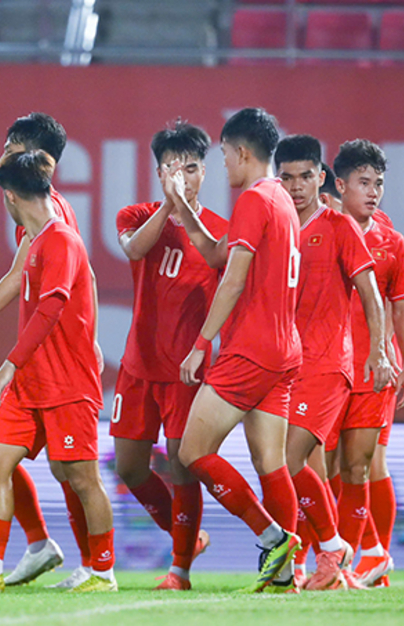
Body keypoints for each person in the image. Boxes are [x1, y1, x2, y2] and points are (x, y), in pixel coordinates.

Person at [0, 150, 115, 593]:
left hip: (66, 383)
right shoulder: (35, 242)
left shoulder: (61, 241)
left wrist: (7, 364)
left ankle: (104, 572)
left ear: (10, 196)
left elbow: (50, 309)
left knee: (81, 476)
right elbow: (33, 289)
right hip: (30, 382)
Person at [164, 107, 301, 593]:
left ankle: (271, 537)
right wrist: (182, 207)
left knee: (191, 451)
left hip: (250, 349)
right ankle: (287, 573)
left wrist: (202, 344)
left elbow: (234, 275)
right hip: (285, 349)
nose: (222, 164)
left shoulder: (251, 200)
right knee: (271, 463)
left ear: (243, 153)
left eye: (223, 154)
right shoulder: (282, 200)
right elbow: (221, 255)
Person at [274, 134, 393, 591]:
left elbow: (371, 295)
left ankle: (336, 545)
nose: (297, 185)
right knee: (305, 469)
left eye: (306, 176)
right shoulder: (275, 227)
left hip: (327, 366)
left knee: (293, 461)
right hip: (284, 367)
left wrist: (379, 352)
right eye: (287, 177)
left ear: (322, 178)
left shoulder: (338, 226)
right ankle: (305, 563)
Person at [112, 121, 226, 590]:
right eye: (172, 168)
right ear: (158, 172)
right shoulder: (135, 216)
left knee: (182, 464)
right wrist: (168, 206)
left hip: (186, 369)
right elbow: (133, 249)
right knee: (129, 468)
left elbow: (225, 271)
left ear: (205, 173)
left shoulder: (220, 231)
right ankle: (188, 538)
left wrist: (187, 213)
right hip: (138, 364)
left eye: (193, 168)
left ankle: (179, 569)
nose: (183, 176)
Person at [325, 139, 404, 587]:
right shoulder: (321, 228)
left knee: (364, 463)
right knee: (331, 466)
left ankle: (358, 555)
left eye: (378, 183)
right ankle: (372, 553)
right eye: (364, 182)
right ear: (340, 185)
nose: (374, 191)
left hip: (373, 367)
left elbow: (403, 309)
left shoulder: (389, 240)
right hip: (329, 366)